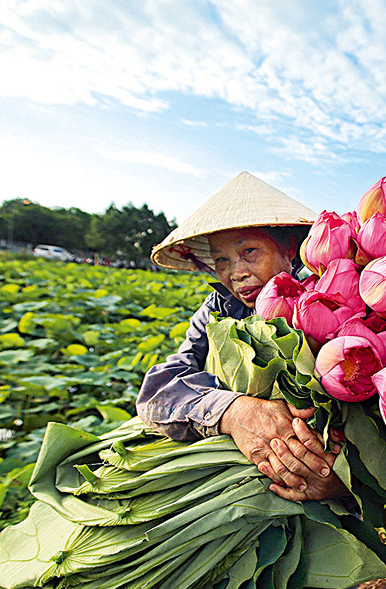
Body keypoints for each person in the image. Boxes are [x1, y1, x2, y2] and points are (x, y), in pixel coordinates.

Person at [137, 171, 349, 503]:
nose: (235, 273)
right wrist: (235, 412)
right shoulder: (218, 309)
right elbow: (157, 394)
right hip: (237, 486)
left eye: (249, 251)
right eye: (221, 260)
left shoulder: (332, 301)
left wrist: (342, 482)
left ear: (289, 249)